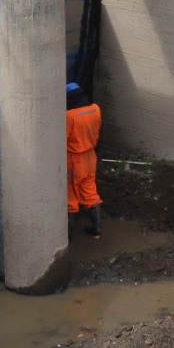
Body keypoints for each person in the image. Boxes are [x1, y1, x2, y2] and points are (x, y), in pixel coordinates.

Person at [65, 81, 102, 237]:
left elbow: (63, 138)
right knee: (90, 191)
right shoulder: (95, 109)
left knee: (72, 194)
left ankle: (67, 235)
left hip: (75, 159)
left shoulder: (70, 116)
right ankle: (96, 230)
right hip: (90, 157)